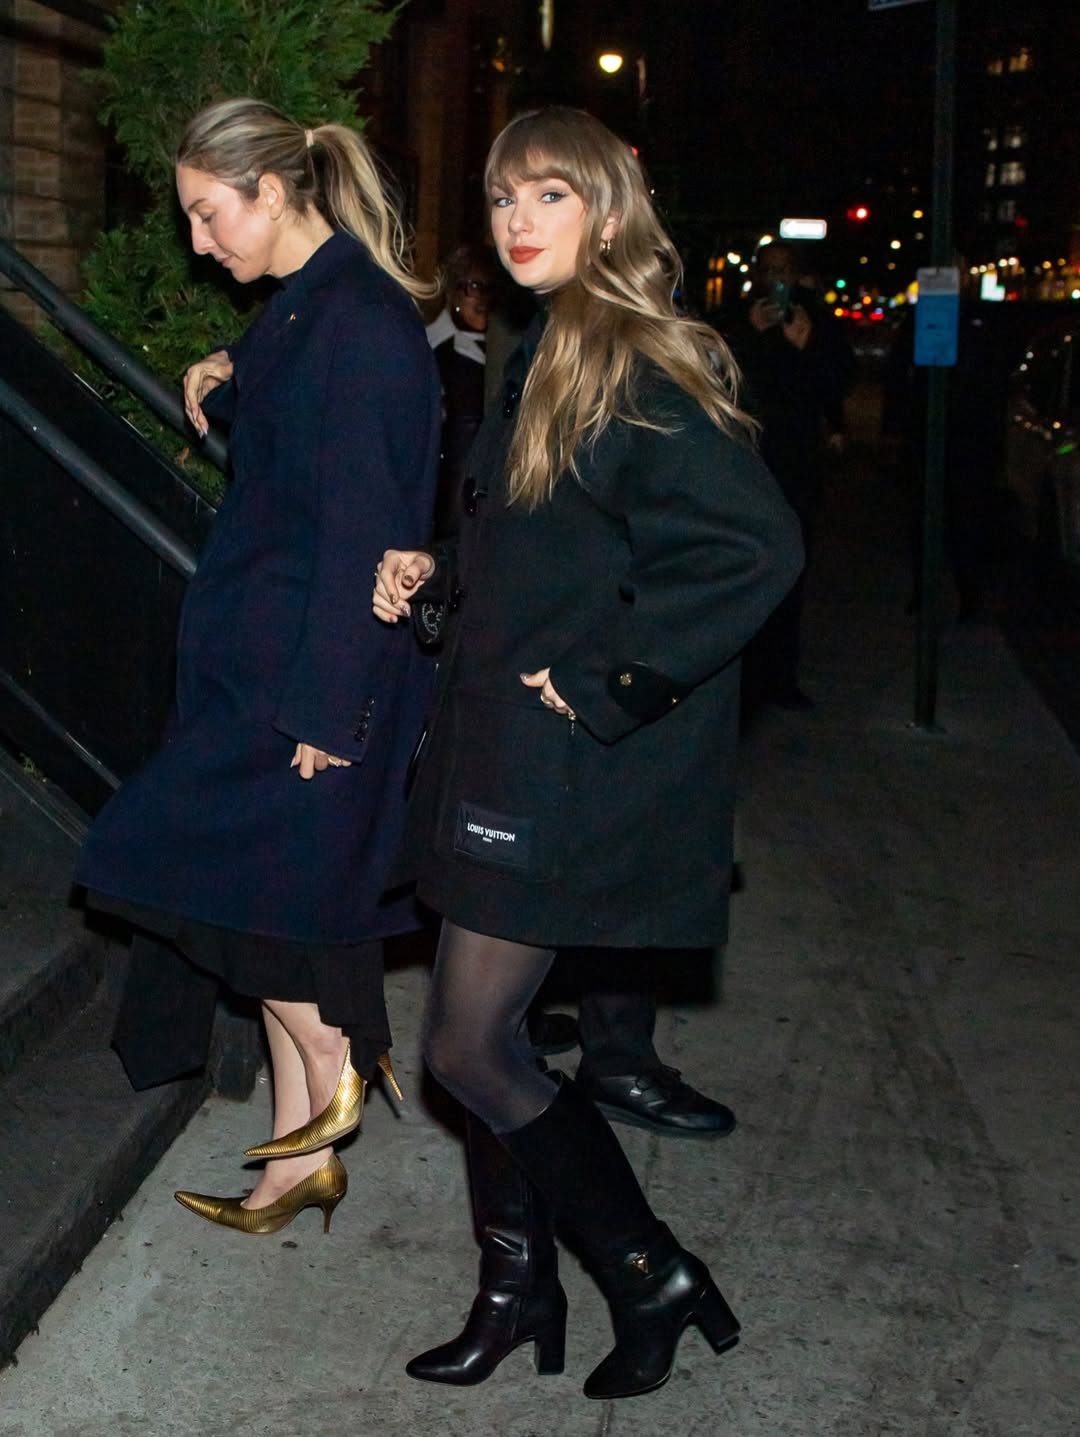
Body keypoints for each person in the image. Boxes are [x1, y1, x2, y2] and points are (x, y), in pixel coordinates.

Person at [372, 107, 803, 1399]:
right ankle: (518, 1295)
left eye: (548, 197)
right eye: (504, 198)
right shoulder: (549, 347)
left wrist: (614, 676)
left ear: (607, 212)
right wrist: (443, 575)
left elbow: (754, 552)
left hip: (555, 775)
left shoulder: (632, 361)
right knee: (478, 1042)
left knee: (468, 1047)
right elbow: (561, 555)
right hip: (496, 756)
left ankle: (648, 1271)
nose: (516, 222)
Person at [75, 97, 441, 1235]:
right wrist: (227, 369)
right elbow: (295, 428)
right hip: (262, 673)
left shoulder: (360, 325)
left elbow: (368, 525)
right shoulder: (306, 310)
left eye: (207, 213)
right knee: (277, 908)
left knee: (180, 868)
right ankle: (297, 1168)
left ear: (274, 191)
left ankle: (338, 1062)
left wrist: (330, 709)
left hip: (310, 680)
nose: (198, 243)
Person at [724, 239, 854, 710]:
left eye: (785, 270)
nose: (775, 278)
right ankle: (742, 675)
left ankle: (780, 676)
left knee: (789, 569)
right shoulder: (735, 319)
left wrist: (808, 345)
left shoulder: (815, 322)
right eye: (768, 269)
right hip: (744, 464)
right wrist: (752, 336)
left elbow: (837, 385)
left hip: (796, 465)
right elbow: (717, 383)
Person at [425, 244, 498, 538]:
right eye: (473, 287)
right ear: (454, 293)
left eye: (489, 289)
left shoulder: (493, 351)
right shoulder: (450, 356)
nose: (481, 298)